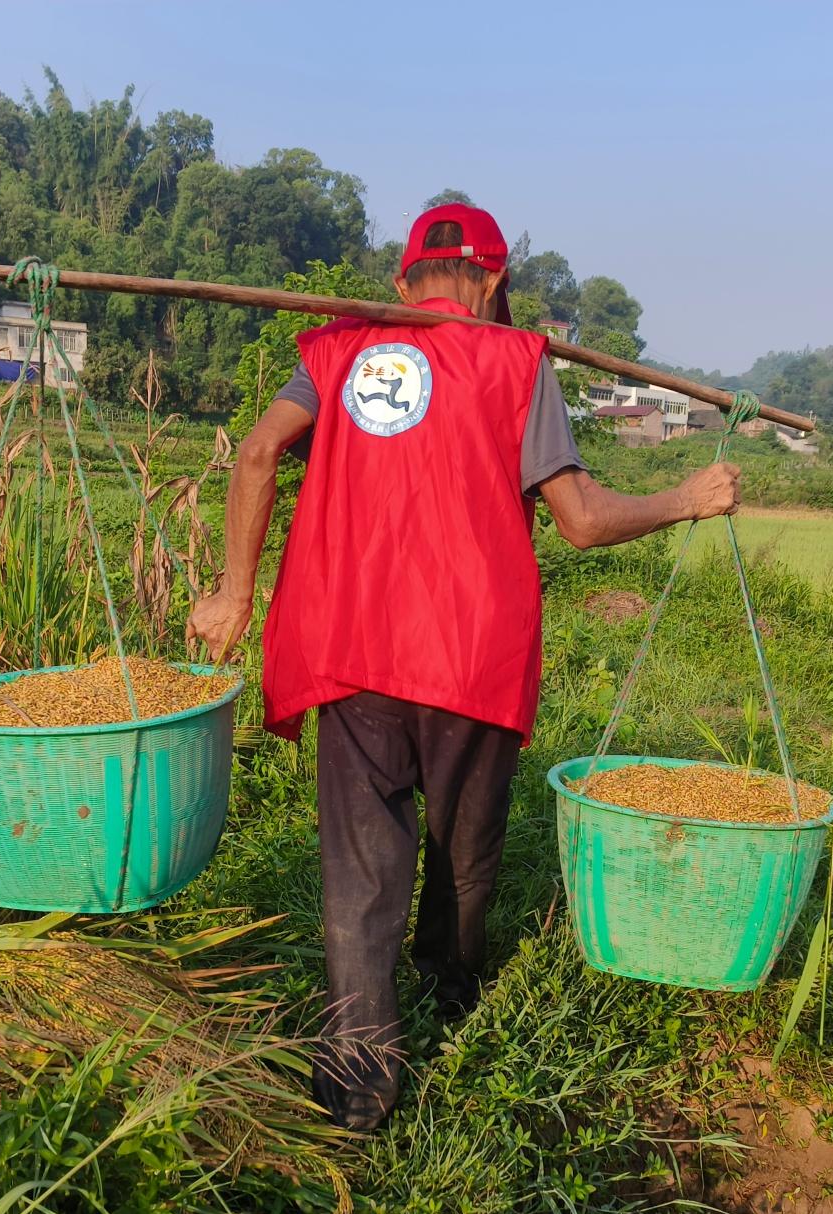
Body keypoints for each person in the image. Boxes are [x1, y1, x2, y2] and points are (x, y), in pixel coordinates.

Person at [187, 203, 740, 1131]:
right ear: (493, 285)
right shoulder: (519, 362)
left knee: (362, 868)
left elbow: (255, 452)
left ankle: (359, 1081)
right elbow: (584, 521)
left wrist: (234, 596)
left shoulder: (337, 354)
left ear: (403, 286)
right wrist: (684, 497)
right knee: (464, 850)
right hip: (472, 653)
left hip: (350, 643)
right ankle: (452, 985)